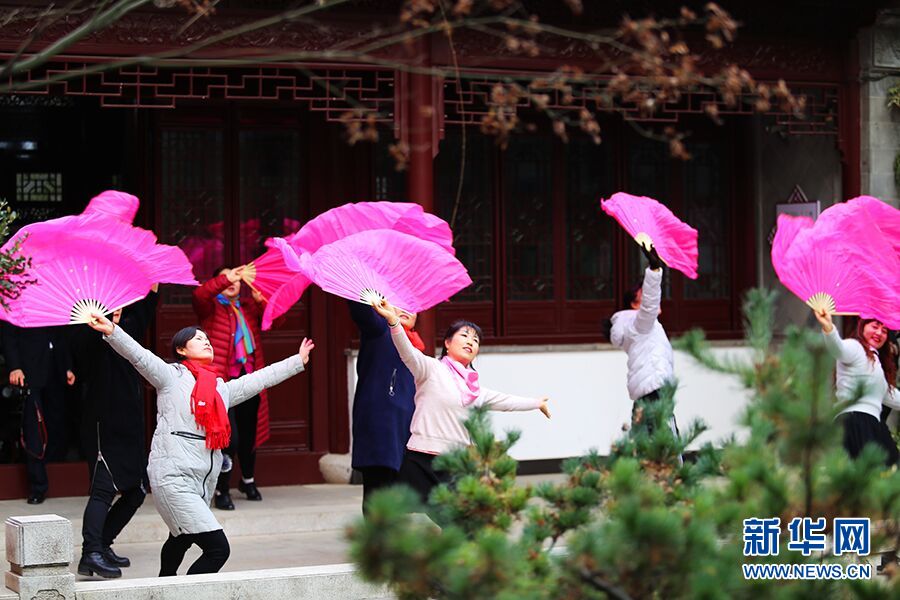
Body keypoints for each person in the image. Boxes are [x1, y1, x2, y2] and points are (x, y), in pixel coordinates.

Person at [86, 312, 314, 576]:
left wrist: (297, 361)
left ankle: (164, 587)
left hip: (202, 482)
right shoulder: (171, 377)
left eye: (207, 339)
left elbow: (257, 380)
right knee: (218, 549)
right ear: (181, 350)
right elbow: (139, 356)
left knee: (180, 538)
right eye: (197, 339)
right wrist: (112, 331)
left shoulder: (220, 388)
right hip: (173, 477)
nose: (206, 342)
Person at [371, 299, 551, 506]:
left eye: (475, 340)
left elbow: (505, 401)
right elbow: (407, 352)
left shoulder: (473, 388)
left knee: (457, 520)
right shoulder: (430, 369)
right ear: (447, 343)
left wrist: (536, 403)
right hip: (422, 459)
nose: (470, 342)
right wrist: (394, 322)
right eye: (464, 335)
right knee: (396, 516)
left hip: (454, 462)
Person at [70, 290, 158, 578]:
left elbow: (147, 306)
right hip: (102, 423)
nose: (118, 309)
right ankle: (91, 553)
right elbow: (84, 358)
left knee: (135, 492)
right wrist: (101, 324)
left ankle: (102, 544)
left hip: (129, 425)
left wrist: (152, 270)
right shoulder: (86, 336)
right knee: (103, 490)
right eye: (112, 305)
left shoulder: (127, 331)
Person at [192, 265, 279, 510]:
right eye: (227, 278)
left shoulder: (248, 308)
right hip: (222, 384)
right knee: (230, 438)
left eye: (237, 279)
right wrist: (223, 279)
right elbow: (199, 296)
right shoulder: (210, 308)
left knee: (250, 433)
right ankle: (222, 488)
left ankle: (247, 480)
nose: (233, 282)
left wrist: (263, 303)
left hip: (249, 379)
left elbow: (276, 320)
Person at [607, 244, 681, 455]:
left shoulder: (640, 327)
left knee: (641, 444)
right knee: (667, 445)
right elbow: (649, 305)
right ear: (634, 303)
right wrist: (654, 270)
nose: (654, 298)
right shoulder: (640, 324)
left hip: (648, 388)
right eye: (644, 292)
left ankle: (638, 484)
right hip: (655, 388)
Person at [349, 301, 420, 514]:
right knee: (378, 489)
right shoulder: (379, 329)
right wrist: (359, 286)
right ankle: (377, 544)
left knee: (401, 494)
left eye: (412, 305)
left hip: (406, 429)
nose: (407, 308)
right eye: (400, 303)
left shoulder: (416, 346)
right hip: (379, 426)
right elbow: (362, 312)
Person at [1, 323, 76, 504]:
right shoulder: (18, 297)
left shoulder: (51, 296)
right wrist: (15, 366)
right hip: (29, 371)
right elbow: (7, 335)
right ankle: (38, 485)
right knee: (33, 427)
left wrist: (67, 366)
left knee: (57, 422)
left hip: (55, 370)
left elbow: (60, 334)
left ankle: (56, 472)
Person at [814, 310, 900, 465]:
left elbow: (891, 396)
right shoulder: (855, 347)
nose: (879, 333)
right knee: (869, 475)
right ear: (863, 326)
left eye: (884, 330)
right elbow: (838, 348)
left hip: (873, 423)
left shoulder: (877, 363)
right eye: (875, 326)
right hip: (854, 420)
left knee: (892, 471)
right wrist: (828, 327)